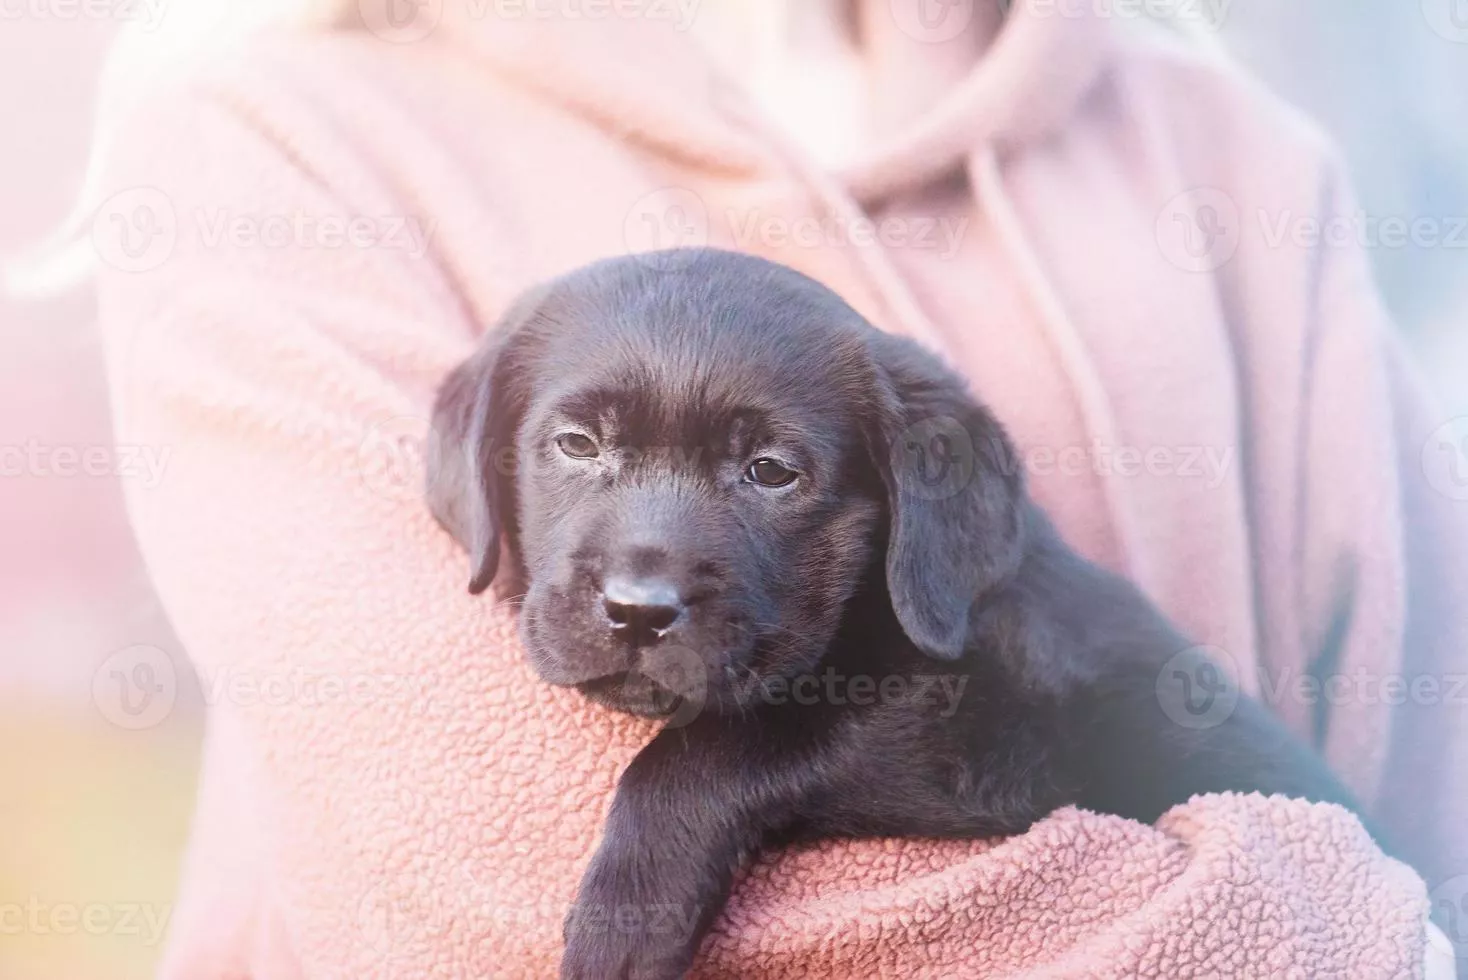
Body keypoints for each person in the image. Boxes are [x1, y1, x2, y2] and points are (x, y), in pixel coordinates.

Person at [45, 0, 1466, 975]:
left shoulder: (1238, 153)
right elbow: (505, 891)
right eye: (583, 448)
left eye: (770, 468)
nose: (647, 565)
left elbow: (1434, 794)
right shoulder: (279, 124)